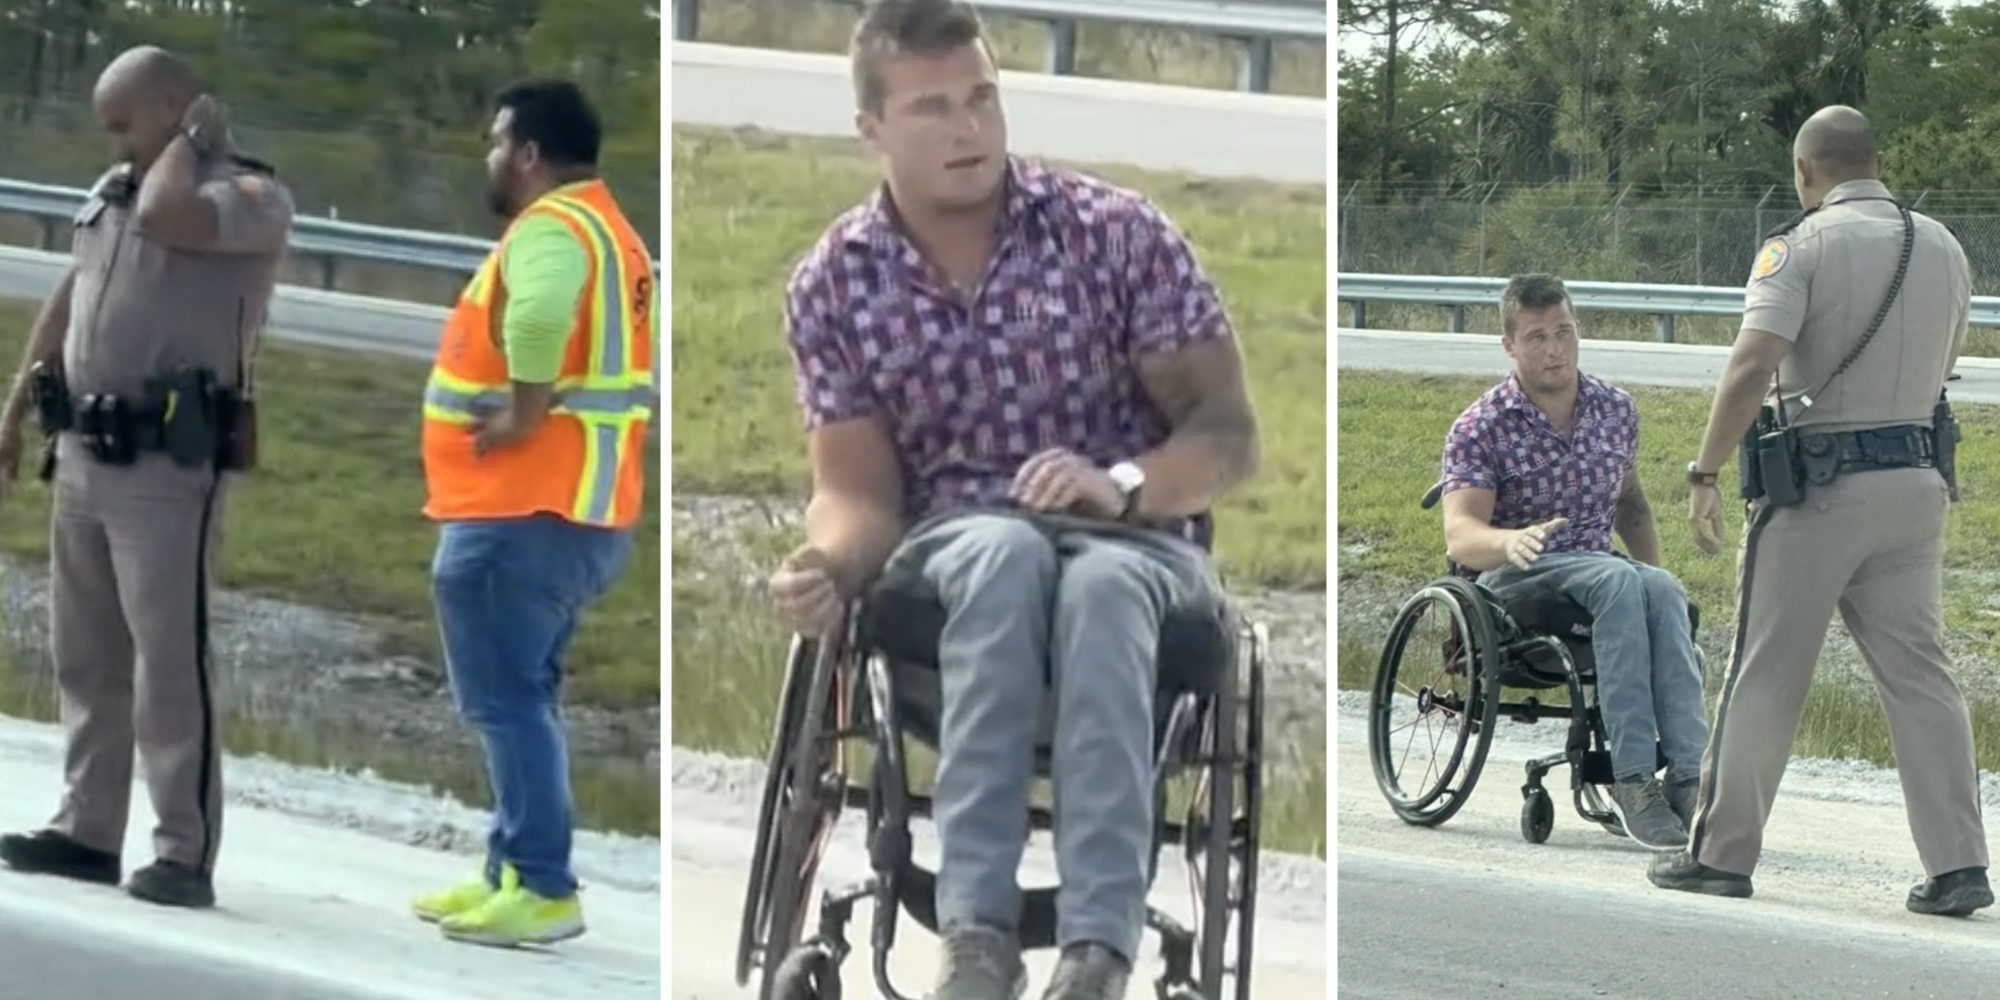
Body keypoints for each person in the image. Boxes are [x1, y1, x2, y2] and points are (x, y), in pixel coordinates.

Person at [765, 2, 1259, 998]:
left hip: (1134, 545)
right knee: (1005, 554)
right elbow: (858, 495)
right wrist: (824, 563)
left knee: (1100, 589)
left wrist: (1120, 486)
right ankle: (976, 939)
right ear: (872, 128)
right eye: (933, 108)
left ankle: (1097, 950)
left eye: (982, 98)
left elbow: (1225, 435)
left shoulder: (1112, 234)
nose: (969, 129)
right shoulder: (836, 283)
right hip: (955, 551)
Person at [1650, 105, 1991, 915]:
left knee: (1765, 671)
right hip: (1916, 481)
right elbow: (1946, 359)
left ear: (1805, 171)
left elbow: (1752, 364)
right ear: (1879, 163)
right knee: (1922, 677)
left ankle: (1721, 853)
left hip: (1820, 489)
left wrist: (1706, 470)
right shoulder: (1942, 244)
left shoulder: (1797, 247)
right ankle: (1959, 865)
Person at [0, 46, 293, 910]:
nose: (115, 144)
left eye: (126, 124)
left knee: (168, 662)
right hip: (84, 452)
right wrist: (13, 410)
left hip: (168, 466)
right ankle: (87, 829)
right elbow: (70, 299)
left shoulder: (247, 197)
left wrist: (193, 142)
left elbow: (171, 216)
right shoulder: (115, 188)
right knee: (86, 655)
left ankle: (182, 850)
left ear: (177, 107)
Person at [407, 79, 654, 948]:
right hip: (576, 511)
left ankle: (543, 885)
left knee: (507, 704)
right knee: (525, 697)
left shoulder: (551, 229)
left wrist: (521, 412)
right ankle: (508, 872)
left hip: (523, 509)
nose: (490, 157)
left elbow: (543, 316)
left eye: (496, 141)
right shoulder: (608, 229)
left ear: (529, 154)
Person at [1436, 273, 1711, 851]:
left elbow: (1631, 507)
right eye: (1537, 337)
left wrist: (1655, 590)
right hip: (1515, 579)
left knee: (1661, 587)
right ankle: (1631, 780)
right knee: (1616, 580)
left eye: (1563, 332)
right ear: (1509, 345)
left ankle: (1690, 779)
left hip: (1599, 572)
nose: (1554, 349)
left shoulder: (1615, 409)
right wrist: (1509, 542)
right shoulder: (1481, 426)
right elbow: (1461, 535)